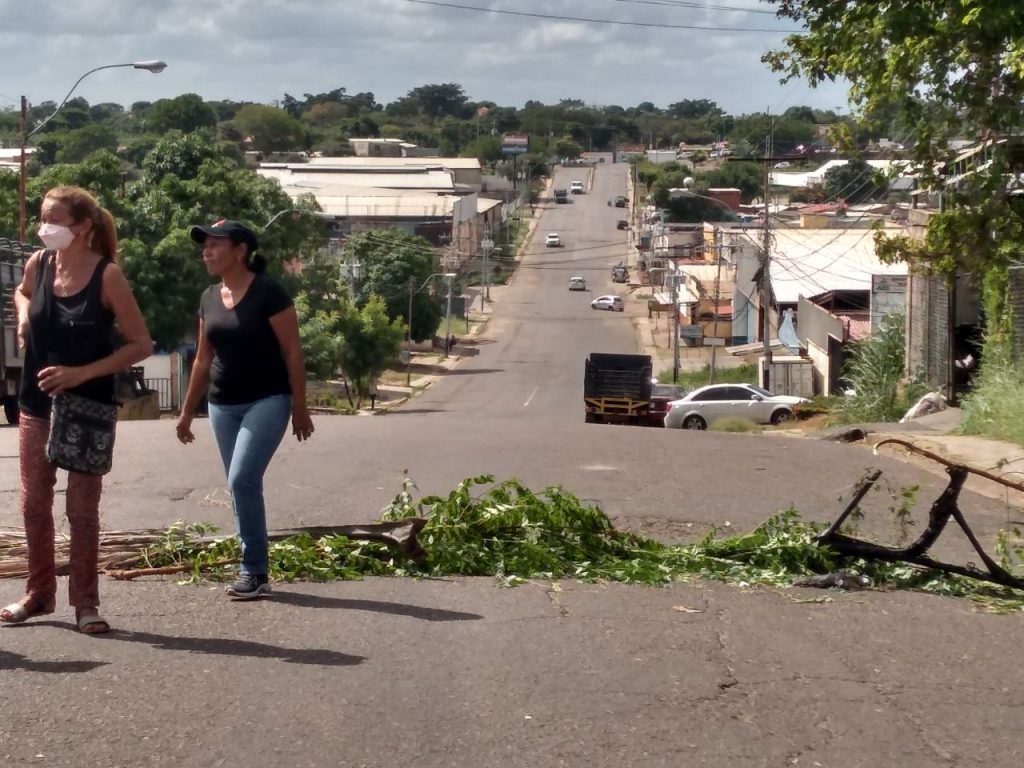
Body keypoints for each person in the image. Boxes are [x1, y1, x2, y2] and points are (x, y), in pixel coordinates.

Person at [1, 186, 152, 634]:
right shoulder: (39, 264)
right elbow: (23, 294)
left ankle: (86, 602)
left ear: (83, 226)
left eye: (54, 219)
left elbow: (141, 344)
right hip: (35, 402)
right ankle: (38, 594)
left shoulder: (108, 276)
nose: (44, 227)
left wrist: (80, 374)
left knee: (82, 511)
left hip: (88, 407)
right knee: (33, 504)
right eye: (42, 218)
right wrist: (25, 313)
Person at [176, 219, 314, 600]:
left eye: (215, 244)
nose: (206, 250)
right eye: (204, 244)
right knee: (240, 487)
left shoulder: (269, 293)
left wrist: (300, 407)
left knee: (241, 478)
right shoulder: (207, 296)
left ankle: (253, 570)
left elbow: (292, 351)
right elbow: (203, 359)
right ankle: (252, 565)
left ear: (241, 250)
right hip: (222, 404)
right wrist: (187, 412)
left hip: (268, 398)